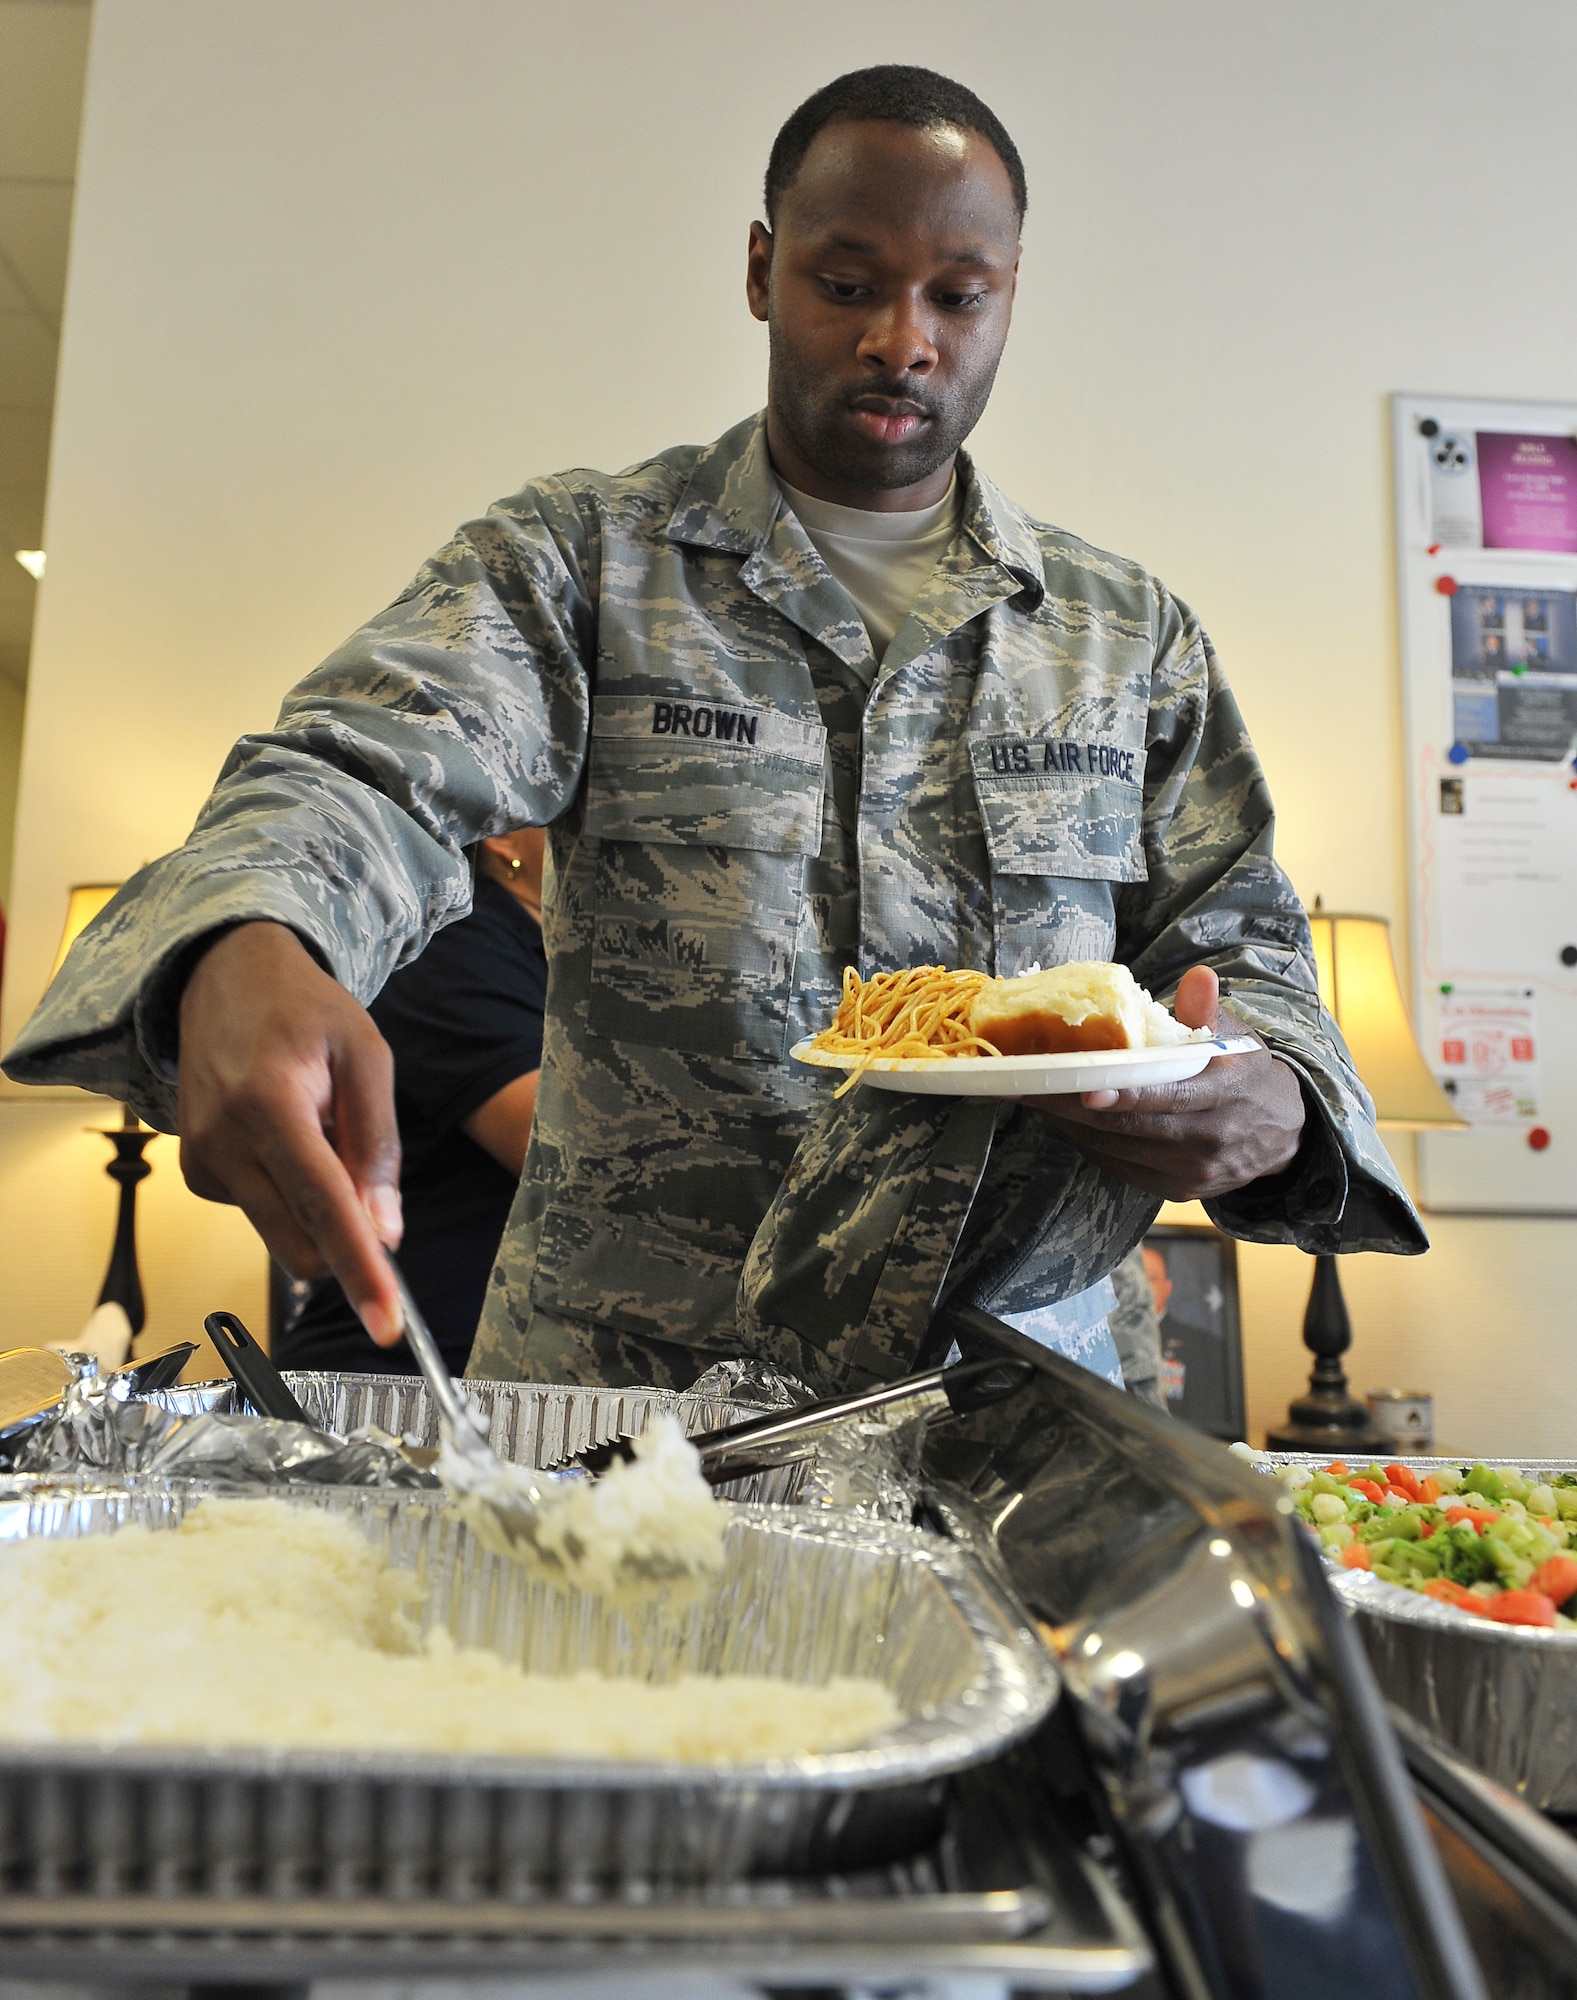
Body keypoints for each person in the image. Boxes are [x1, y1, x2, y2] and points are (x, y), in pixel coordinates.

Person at [3, 66, 1426, 1397]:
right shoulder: (583, 559)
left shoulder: (1128, 635)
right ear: (761, 270)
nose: (899, 340)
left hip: (1008, 1404)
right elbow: (358, 770)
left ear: (1008, 301)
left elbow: (1243, 946)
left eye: (957, 294)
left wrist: (1278, 1103)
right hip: (630, 1410)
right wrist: (258, 935)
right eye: (846, 282)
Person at [275, 828, 546, 1376]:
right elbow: (568, 1153)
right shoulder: (455, 942)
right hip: (392, 1377)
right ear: (510, 839)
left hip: (493, 1367)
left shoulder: (561, 957)